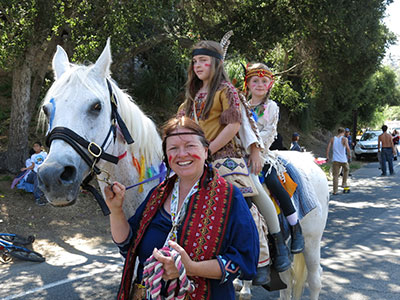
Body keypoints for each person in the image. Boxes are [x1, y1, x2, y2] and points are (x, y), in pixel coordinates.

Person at [105, 117, 259, 300]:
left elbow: (244, 261)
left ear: (205, 150)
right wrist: (116, 211)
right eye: (173, 148)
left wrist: (190, 267)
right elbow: (128, 245)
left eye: (190, 146)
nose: (182, 154)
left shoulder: (230, 197)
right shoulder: (158, 194)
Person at [179, 40, 291, 276]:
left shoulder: (226, 90)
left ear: (216, 64)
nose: (198, 65)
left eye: (203, 60)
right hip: (195, 156)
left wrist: (208, 150)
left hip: (224, 153)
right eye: (195, 61)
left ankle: (271, 250)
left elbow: (234, 125)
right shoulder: (191, 95)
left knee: (249, 197)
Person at [244, 62, 304, 254]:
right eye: (255, 80)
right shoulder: (240, 106)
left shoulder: (271, 107)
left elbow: (269, 132)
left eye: (264, 81)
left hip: (262, 153)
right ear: (248, 84)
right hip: (239, 155)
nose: (259, 84)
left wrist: (253, 145)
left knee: (273, 182)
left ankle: (294, 228)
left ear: (270, 84)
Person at [326, 128, 351, 195]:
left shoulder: (333, 139)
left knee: (335, 176)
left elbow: (328, 148)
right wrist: (349, 155)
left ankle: (335, 191)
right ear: (343, 132)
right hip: (343, 159)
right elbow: (348, 148)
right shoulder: (344, 139)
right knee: (346, 169)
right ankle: (344, 183)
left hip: (335, 159)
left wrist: (327, 156)